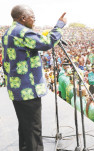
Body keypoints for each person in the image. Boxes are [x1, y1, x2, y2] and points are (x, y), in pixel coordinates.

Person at [1, 5, 66, 151]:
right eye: (33, 17)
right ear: (23, 18)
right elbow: (47, 42)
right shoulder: (22, 32)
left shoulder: (9, 32)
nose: (34, 20)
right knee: (33, 130)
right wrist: (60, 25)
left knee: (25, 127)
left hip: (17, 88)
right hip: (28, 89)